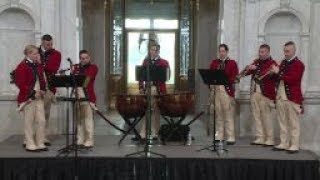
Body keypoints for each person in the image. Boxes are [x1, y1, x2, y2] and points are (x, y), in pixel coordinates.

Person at [236, 44, 277, 146]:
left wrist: (256, 68)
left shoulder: (273, 63)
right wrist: (248, 68)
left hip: (265, 94)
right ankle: (260, 137)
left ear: (268, 52)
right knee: (256, 116)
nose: (260, 54)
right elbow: (244, 73)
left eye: (263, 52)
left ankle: (270, 139)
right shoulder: (257, 62)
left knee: (266, 116)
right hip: (254, 93)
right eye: (260, 52)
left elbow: (267, 74)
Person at [271, 41, 304, 153]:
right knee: (282, 121)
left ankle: (294, 144)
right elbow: (278, 78)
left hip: (292, 98)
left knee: (293, 122)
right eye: (284, 51)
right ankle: (284, 143)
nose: (285, 53)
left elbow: (292, 79)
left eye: (287, 51)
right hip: (280, 97)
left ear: (294, 50)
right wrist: (273, 74)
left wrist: (278, 72)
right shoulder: (283, 63)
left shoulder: (299, 64)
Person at [15, 45, 47, 152]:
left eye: (37, 53)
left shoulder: (38, 65)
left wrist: (43, 90)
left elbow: (42, 80)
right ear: (28, 54)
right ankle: (29, 143)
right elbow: (21, 84)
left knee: (41, 120)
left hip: (39, 97)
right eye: (35, 54)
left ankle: (40, 142)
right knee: (29, 121)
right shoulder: (22, 66)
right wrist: (33, 92)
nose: (37, 55)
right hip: (28, 98)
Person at [138, 44, 170, 140]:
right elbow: (141, 76)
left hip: (159, 89)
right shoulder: (146, 61)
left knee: (157, 111)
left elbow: (168, 77)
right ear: (150, 51)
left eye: (156, 50)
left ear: (159, 52)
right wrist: (140, 87)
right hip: (148, 88)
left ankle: (155, 132)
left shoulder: (164, 62)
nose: (154, 52)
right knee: (147, 110)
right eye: (152, 50)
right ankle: (143, 132)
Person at [209, 44, 238, 145]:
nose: (221, 53)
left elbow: (234, 77)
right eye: (220, 51)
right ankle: (219, 136)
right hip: (216, 90)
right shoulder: (214, 63)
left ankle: (230, 137)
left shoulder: (232, 63)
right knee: (218, 115)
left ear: (227, 52)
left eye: (223, 51)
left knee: (228, 114)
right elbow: (210, 76)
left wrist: (225, 79)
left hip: (226, 91)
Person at [38, 34, 61, 146]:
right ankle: (32, 137)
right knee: (34, 114)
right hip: (35, 87)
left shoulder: (56, 54)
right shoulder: (34, 51)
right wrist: (42, 65)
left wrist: (40, 65)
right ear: (42, 42)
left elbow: (53, 68)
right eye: (48, 44)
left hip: (49, 87)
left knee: (45, 113)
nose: (50, 46)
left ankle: (43, 137)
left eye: (51, 44)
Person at [73, 50, 98, 148]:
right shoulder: (76, 68)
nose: (84, 60)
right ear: (80, 59)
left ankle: (89, 140)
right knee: (79, 119)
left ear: (89, 58)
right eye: (82, 58)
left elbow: (88, 78)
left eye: (86, 58)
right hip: (77, 96)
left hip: (88, 96)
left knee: (88, 119)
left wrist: (78, 71)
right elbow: (73, 79)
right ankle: (80, 139)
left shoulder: (93, 67)